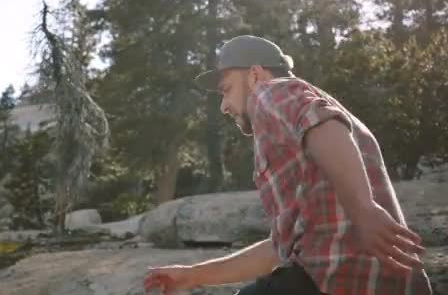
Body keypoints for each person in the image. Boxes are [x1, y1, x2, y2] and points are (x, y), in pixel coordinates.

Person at [143, 35, 433, 295]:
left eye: (227, 89)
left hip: (337, 278)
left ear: (255, 75)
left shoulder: (270, 93)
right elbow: (279, 249)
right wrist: (193, 276)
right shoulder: (297, 127)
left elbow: (322, 123)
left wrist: (364, 209)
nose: (224, 105)